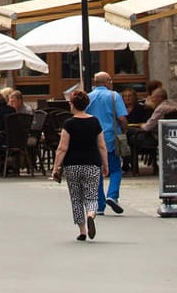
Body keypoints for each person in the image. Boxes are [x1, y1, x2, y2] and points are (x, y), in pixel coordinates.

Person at [50, 89, 108, 242]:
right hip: (92, 163)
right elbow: (101, 145)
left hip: (72, 165)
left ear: (72, 105)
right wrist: (105, 164)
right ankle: (91, 214)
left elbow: (62, 147)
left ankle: (82, 230)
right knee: (91, 195)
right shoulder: (95, 121)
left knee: (76, 198)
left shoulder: (69, 124)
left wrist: (56, 167)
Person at [82, 72, 128, 214]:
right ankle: (112, 195)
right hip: (110, 138)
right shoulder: (114, 96)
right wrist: (124, 131)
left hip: (91, 138)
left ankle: (100, 205)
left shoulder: (88, 97)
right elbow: (122, 118)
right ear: (108, 81)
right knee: (115, 169)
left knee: (97, 171)